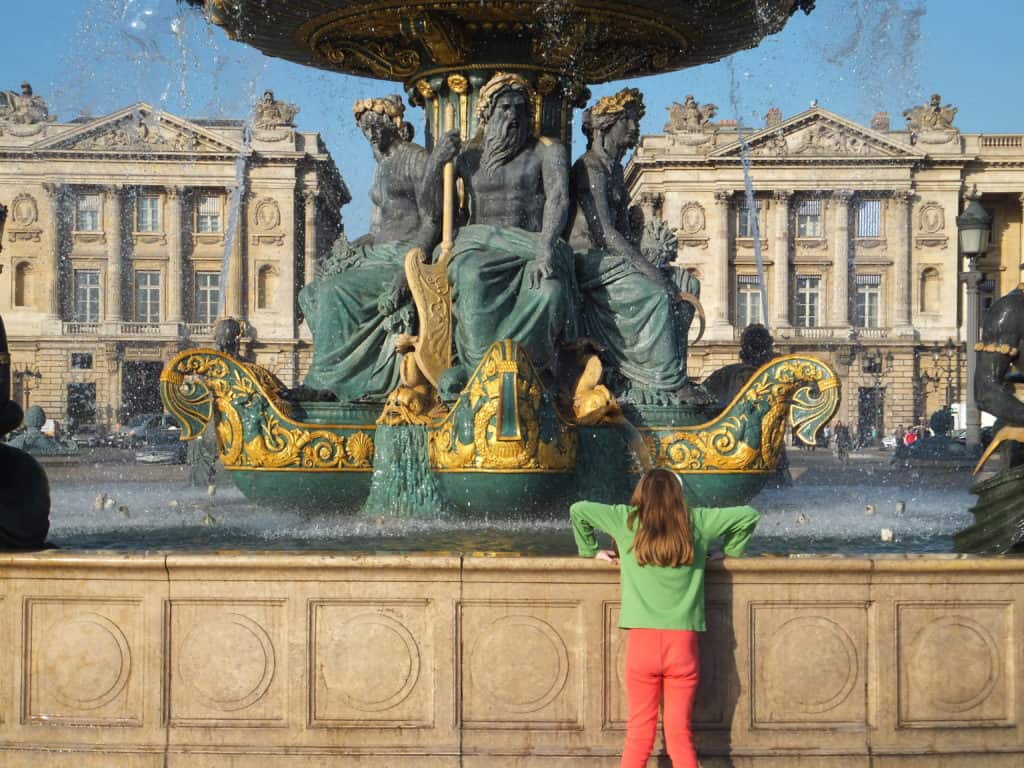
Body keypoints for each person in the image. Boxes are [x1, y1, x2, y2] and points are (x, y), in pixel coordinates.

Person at [569, 469, 760, 768]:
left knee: (638, 736)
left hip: (642, 645)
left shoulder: (627, 520)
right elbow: (748, 515)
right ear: (678, 494)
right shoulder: (696, 521)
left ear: (640, 493)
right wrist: (730, 550)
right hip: (683, 646)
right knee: (679, 735)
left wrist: (590, 550)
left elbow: (578, 510)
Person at [425, 72, 577, 380]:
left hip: (533, 247)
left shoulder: (548, 150)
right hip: (479, 247)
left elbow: (558, 199)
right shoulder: (466, 156)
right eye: (505, 108)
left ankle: (529, 374)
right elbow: (433, 212)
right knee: (472, 277)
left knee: (549, 292)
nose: (513, 116)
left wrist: (545, 251)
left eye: (520, 109)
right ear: (487, 114)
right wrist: (436, 163)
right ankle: (480, 372)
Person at [565, 88, 706, 405]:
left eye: (635, 121)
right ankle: (664, 382)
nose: (634, 129)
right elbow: (605, 233)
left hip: (611, 258)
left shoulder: (615, 171)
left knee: (686, 282)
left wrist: (654, 258)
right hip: (587, 260)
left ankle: (672, 369)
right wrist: (648, 272)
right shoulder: (590, 167)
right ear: (605, 126)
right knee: (656, 293)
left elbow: (625, 234)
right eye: (627, 120)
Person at [298, 94, 435, 401]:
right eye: (364, 128)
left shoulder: (415, 158)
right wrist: (343, 251)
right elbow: (376, 229)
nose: (370, 134)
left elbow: (433, 221)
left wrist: (409, 267)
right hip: (377, 252)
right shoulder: (381, 165)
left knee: (336, 292)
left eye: (376, 126)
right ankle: (338, 372)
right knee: (311, 293)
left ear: (393, 123)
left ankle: (329, 383)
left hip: (403, 253)